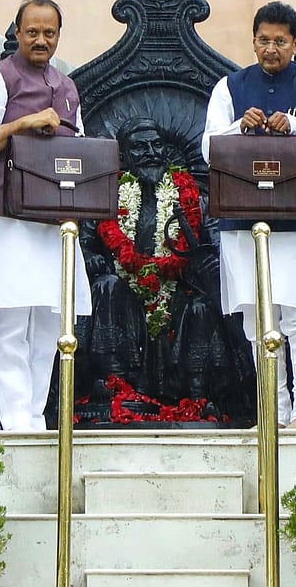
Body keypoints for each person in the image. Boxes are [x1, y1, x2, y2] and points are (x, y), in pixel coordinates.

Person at [201, 1, 296, 429]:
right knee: (256, 319)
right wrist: (238, 128)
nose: (271, 49)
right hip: (242, 221)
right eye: (263, 40)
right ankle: (273, 409)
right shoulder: (229, 88)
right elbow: (208, 148)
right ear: (253, 41)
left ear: (295, 43)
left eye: (281, 41)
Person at [0, 0, 91, 431]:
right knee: (10, 323)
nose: (41, 40)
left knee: (49, 326)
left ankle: (35, 417)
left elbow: (80, 147)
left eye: (49, 32)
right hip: (7, 219)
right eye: (32, 31)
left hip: (55, 223)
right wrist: (22, 124)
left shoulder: (68, 85)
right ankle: (17, 421)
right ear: (16, 32)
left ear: (59, 35)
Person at [77, 115, 254, 420]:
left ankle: (196, 399)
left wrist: (198, 261)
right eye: (140, 148)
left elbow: (216, 250)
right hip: (123, 294)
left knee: (199, 307)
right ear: (123, 157)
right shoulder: (106, 196)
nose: (151, 153)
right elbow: (82, 242)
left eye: (157, 145)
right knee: (106, 286)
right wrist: (91, 257)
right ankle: (117, 386)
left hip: (177, 293)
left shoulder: (192, 197)